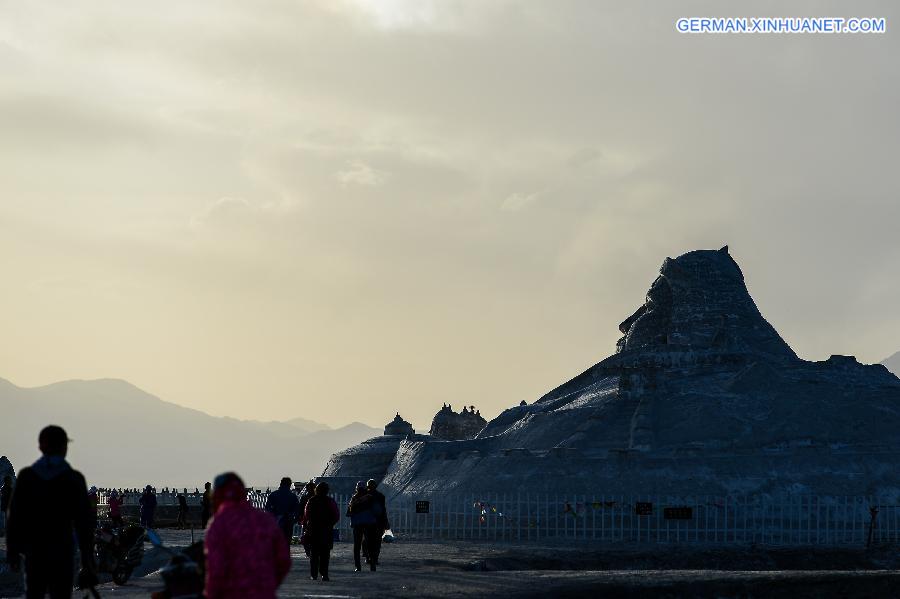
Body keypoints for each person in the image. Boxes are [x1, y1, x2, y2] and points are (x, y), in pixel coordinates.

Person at [5, 425, 97, 598]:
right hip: (62, 552)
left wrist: (13, 551)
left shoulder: (27, 476)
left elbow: (14, 517)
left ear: (40, 447)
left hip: (35, 552)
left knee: (34, 593)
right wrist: (87, 560)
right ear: (64, 448)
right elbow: (84, 524)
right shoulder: (74, 478)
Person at [205, 472, 290, 598]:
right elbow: (283, 560)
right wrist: (268, 583)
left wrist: (211, 594)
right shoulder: (266, 520)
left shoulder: (218, 525)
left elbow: (216, 569)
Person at [300, 482, 339, 581]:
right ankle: (324, 574)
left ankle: (314, 574)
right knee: (325, 554)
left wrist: (307, 526)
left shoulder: (311, 501)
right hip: (326, 530)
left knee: (314, 554)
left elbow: (306, 515)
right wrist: (330, 524)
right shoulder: (330, 501)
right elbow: (336, 515)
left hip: (314, 530)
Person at [347, 481, 377, 572]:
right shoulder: (370, 497)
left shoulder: (354, 498)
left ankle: (358, 566)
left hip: (357, 524)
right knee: (370, 544)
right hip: (369, 523)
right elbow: (375, 510)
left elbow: (349, 512)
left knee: (357, 545)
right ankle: (372, 565)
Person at [264, 477, 300, 543]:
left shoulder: (273, 495)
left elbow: (267, 509)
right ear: (289, 485)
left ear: (281, 484)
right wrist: (293, 519)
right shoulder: (293, 496)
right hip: (288, 522)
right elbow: (296, 511)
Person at [365, 479, 389, 571]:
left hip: (367, 521)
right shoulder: (380, 496)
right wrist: (386, 522)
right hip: (379, 522)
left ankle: (369, 558)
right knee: (377, 541)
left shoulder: (365, 496)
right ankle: (375, 559)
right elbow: (383, 510)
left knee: (368, 541)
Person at [297, 480, 316, 556]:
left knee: (306, 536)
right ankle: (312, 550)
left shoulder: (304, 498)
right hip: (316, 521)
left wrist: (299, 518)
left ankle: (308, 551)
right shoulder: (317, 498)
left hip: (306, 520)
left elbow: (300, 509)